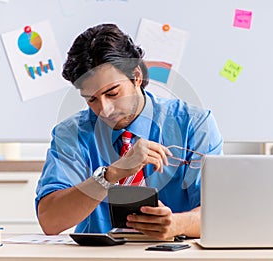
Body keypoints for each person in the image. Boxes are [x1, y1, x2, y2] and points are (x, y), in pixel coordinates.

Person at [35, 23, 223, 239]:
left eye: (113, 93)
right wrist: (111, 175)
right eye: (91, 100)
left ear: (136, 77)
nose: (104, 110)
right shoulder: (71, 134)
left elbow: (220, 213)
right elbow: (50, 221)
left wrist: (177, 224)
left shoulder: (193, 125)